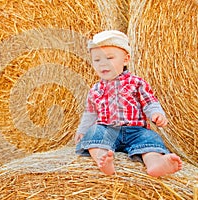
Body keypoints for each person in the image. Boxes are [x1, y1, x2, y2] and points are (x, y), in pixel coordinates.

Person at [75, 30, 182, 177]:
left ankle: (156, 163)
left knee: (150, 140)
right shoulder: (95, 89)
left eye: (109, 58)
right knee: (93, 133)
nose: (103, 64)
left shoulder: (136, 83)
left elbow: (150, 102)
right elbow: (90, 114)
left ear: (126, 59)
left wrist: (157, 114)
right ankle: (103, 160)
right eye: (97, 60)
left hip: (136, 131)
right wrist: (82, 130)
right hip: (108, 130)